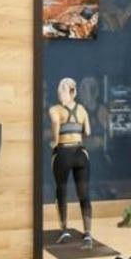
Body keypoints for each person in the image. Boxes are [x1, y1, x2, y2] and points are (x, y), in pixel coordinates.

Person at [48, 77, 93, 248]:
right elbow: (87, 131)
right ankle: (87, 233)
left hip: (63, 153)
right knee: (84, 193)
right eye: (59, 89)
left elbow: (55, 128)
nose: (59, 93)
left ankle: (64, 229)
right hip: (81, 153)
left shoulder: (55, 110)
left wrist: (53, 141)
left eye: (63, 89)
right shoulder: (82, 110)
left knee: (62, 191)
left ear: (72, 92)